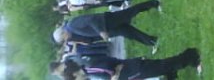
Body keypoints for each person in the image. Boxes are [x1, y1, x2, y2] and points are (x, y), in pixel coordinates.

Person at [52, 0, 161, 48]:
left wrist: (101, 31)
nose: (66, 40)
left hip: (106, 21)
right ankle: (152, 41)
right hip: (107, 28)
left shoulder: (72, 25)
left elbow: (91, 19)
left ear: (63, 33)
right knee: (128, 32)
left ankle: (154, 2)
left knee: (130, 13)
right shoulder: (73, 31)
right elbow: (88, 38)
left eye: (63, 39)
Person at [50, 48, 201, 79]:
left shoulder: (89, 68)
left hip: (133, 69)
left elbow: (108, 69)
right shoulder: (88, 68)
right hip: (132, 71)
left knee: (163, 66)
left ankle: (191, 56)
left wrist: (114, 76)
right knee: (161, 67)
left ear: (75, 73)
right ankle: (184, 62)